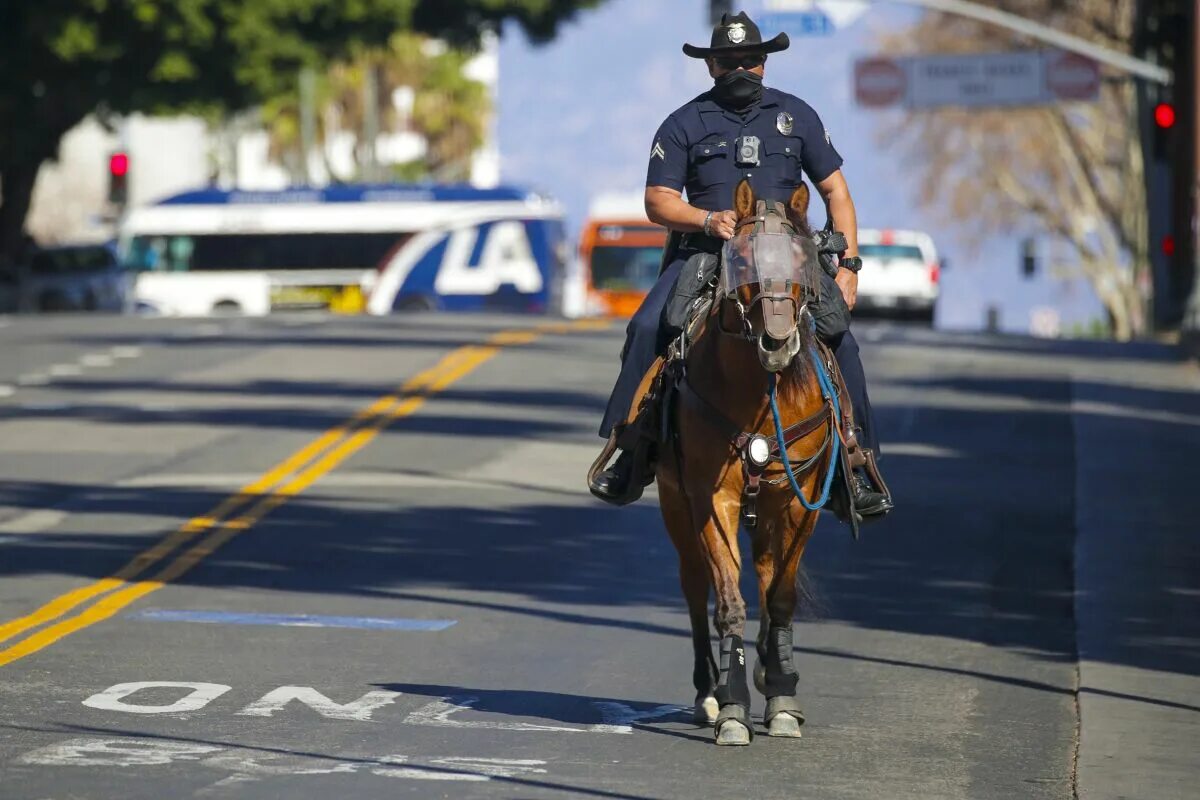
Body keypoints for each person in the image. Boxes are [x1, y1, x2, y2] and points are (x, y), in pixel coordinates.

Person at [589, 11, 892, 519]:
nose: (740, 69)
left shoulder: (798, 116)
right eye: (729, 61)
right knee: (647, 326)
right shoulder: (683, 122)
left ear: (764, 63)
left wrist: (850, 266)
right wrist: (706, 220)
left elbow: (836, 190)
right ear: (711, 66)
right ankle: (629, 447)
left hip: (791, 254)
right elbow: (658, 200)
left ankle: (856, 463)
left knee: (841, 337)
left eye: (750, 59)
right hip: (708, 251)